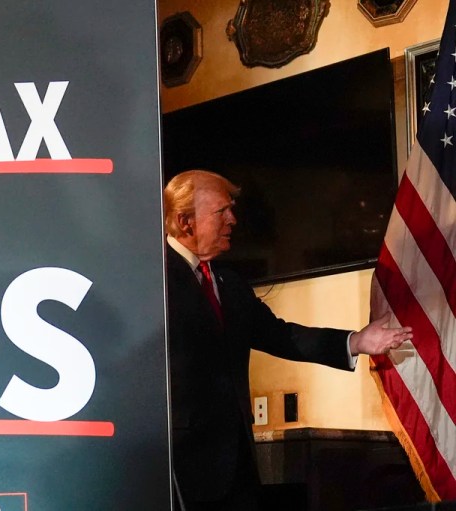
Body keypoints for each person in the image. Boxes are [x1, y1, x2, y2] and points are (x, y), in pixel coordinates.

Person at [164, 170, 412, 511]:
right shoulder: (154, 280)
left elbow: (282, 336)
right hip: (178, 472)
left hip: (239, 470)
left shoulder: (229, 284)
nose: (233, 219)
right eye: (222, 211)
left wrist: (356, 341)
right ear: (185, 221)